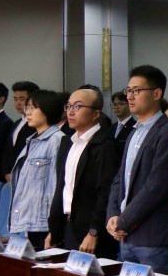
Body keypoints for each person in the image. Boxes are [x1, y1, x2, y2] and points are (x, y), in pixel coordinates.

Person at [106, 65, 168, 274]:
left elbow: (156, 188)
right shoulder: (134, 133)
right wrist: (112, 215)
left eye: (136, 91)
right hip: (126, 235)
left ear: (156, 93)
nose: (130, 96)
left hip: (154, 237)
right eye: (128, 90)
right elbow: (120, 179)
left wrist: (124, 221)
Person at [48, 86, 120, 258]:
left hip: (91, 231)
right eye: (68, 106)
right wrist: (54, 229)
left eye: (78, 106)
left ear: (96, 114)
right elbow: (63, 188)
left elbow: (106, 192)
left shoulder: (105, 145)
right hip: (67, 226)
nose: (71, 112)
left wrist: (94, 231)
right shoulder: (67, 142)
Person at [8, 89, 67, 245]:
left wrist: (55, 225)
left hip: (45, 221)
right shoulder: (32, 140)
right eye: (27, 107)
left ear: (48, 110)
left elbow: (58, 185)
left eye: (33, 108)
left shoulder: (57, 140)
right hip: (32, 219)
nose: (27, 112)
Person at [2, 80, 40, 181]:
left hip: (27, 176)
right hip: (10, 176)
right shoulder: (16, 123)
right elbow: (8, 151)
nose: (18, 103)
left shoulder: (38, 126)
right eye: (15, 99)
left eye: (22, 99)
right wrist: (6, 172)